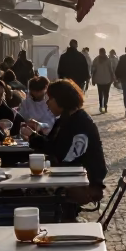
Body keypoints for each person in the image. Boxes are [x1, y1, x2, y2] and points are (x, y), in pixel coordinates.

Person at [21, 80, 107, 208]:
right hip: (71, 176)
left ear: (60, 100)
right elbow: (53, 145)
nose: (47, 103)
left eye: (50, 99)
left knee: (29, 190)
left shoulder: (79, 123)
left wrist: (33, 136)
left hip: (85, 183)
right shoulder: (68, 118)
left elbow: (60, 153)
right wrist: (37, 131)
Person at [91, 47, 115, 113]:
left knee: (101, 94)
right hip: (107, 80)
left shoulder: (96, 60)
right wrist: (113, 77)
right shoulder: (108, 60)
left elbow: (93, 70)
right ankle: (104, 106)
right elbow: (111, 70)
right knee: (105, 94)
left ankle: (102, 107)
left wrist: (93, 79)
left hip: (100, 80)